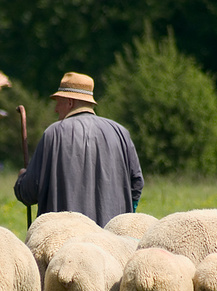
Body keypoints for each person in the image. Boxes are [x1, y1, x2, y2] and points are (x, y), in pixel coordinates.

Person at [14, 71, 144, 227]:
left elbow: (30, 192)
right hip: (111, 240)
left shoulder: (53, 133)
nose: (55, 109)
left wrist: (21, 179)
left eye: (58, 102)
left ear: (70, 102)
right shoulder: (121, 132)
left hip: (64, 241)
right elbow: (136, 184)